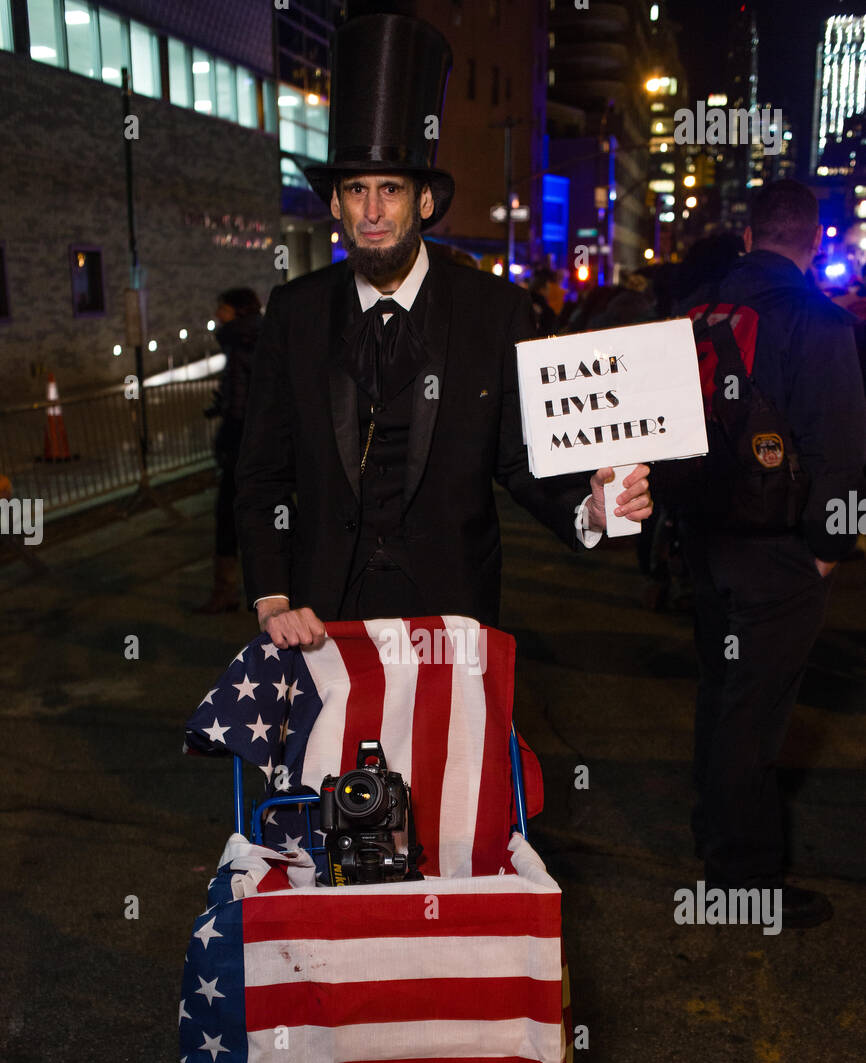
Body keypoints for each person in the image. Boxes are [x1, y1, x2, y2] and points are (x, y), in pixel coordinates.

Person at [233, 12, 651, 646]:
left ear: (423, 201)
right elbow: (262, 472)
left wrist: (589, 509)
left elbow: (521, 458)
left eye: (390, 190)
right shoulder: (296, 311)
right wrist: (271, 597)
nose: (372, 212)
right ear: (336, 204)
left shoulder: (497, 311)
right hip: (322, 621)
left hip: (451, 619)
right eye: (356, 190)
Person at [667, 181, 866, 928]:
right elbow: (843, 452)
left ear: (749, 238)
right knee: (758, 714)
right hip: (776, 550)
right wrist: (825, 554)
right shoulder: (817, 320)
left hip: (706, 540)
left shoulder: (698, 310)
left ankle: (715, 838)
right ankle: (741, 880)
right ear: (814, 243)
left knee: (723, 697)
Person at [195, 287, 262, 614]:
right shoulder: (258, 339)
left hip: (242, 446)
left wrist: (229, 437)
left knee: (230, 516)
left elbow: (245, 403)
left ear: (236, 312)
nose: (216, 314)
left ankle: (227, 592)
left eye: (221, 308)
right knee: (261, 517)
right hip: (255, 446)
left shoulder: (241, 343)